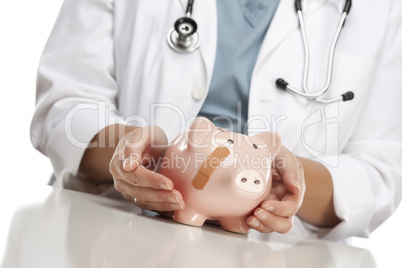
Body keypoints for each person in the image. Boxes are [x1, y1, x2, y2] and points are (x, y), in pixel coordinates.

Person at [31, 0, 402, 241]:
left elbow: (380, 171)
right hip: (110, 232)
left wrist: (282, 183)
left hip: (273, 250)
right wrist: (145, 154)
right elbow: (64, 105)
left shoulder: (381, 10)